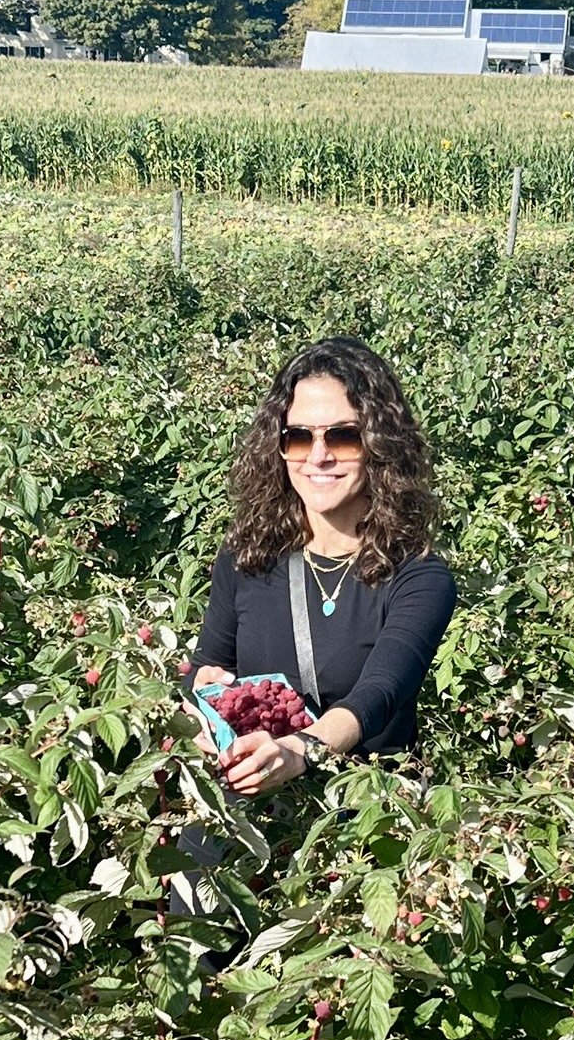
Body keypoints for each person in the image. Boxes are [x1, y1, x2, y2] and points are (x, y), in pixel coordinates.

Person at [189, 336, 457, 796]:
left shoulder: (418, 578)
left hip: (358, 826)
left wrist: (300, 750)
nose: (318, 456)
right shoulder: (247, 558)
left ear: (379, 445)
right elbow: (206, 665)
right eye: (298, 437)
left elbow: (378, 696)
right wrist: (200, 698)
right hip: (248, 809)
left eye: (343, 435)